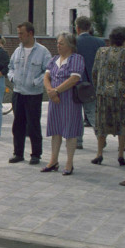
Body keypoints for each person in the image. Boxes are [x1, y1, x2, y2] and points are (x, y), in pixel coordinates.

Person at [7, 22, 52, 165]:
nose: (19, 36)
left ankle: (36, 154)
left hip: (33, 95)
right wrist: (12, 77)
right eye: (18, 33)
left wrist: (36, 82)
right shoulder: (17, 51)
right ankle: (18, 153)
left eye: (21, 33)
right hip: (18, 92)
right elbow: (10, 67)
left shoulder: (43, 51)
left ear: (30, 33)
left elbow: (48, 71)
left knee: (33, 124)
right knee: (18, 124)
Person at [41, 32, 84, 175]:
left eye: (61, 43)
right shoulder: (54, 60)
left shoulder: (76, 59)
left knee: (70, 132)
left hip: (69, 100)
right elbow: (46, 77)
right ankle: (53, 161)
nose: (58, 45)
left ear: (70, 45)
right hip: (55, 100)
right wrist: (50, 91)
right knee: (55, 130)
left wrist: (57, 91)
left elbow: (74, 79)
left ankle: (69, 163)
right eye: (57, 43)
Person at [90, 27, 125, 166]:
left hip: (102, 93)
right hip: (120, 94)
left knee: (101, 125)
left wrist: (98, 87)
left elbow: (94, 72)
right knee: (121, 124)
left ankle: (99, 153)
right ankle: (120, 154)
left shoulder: (101, 52)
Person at [75, 16, 106, 149]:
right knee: (93, 113)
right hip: (94, 83)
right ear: (90, 27)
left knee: (76, 114)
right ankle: (100, 137)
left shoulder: (74, 42)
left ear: (77, 28)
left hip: (77, 82)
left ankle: (78, 141)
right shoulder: (100, 42)